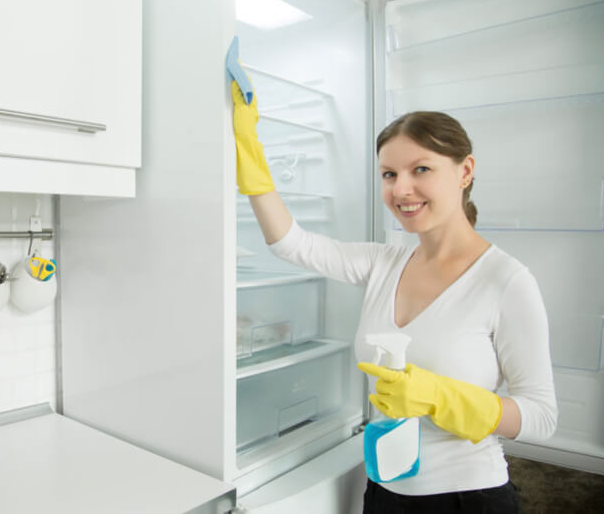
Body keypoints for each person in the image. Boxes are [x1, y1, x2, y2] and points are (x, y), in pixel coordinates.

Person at [231, 80, 558, 513]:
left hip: (467, 498)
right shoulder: (384, 263)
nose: (400, 190)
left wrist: (441, 397)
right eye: (389, 174)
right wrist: (247, 142)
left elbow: (541, 417)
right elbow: (292, 243)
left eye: (421, 169)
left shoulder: (506, 280)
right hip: (384, 491)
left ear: (464, 172)